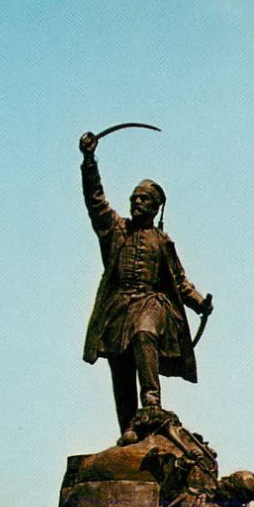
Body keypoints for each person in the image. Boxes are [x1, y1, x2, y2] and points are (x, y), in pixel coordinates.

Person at [79, 131, 213, 440]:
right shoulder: (115, 230)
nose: (137, 202)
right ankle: (128, 428)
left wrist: (198, 304)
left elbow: (179, 281)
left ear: (155, 207)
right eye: (134, 198)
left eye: (144, 199)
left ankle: (151, 402)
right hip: (117, 307)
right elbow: (95, 200)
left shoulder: (162, 241)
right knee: (120, 368)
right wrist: (89, 161)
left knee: (145, 332)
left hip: (150, 302)